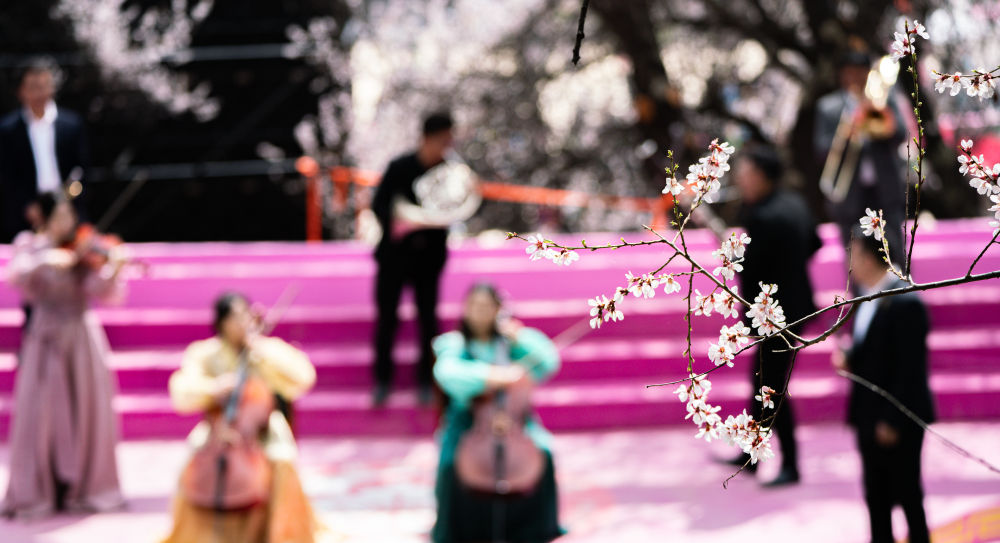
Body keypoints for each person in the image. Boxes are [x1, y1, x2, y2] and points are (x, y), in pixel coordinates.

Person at [162, 292, 322, 543]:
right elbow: (181, 392)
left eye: (244, 315)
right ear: (221, 323)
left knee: (282, 459)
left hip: (262, 429)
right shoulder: (205, 353)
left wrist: (261, 350)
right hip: (217, 427)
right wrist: (214, 388)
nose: (241, 322)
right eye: (234, 317)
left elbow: (303, 378)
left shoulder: (265, 348)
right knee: (190, 460)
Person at [2, 193, 125, 518]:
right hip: (44, 340)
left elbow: (103, 291)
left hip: (81, 339)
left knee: (85, 411)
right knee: (41, 416)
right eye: (59, 216)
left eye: (69, 215)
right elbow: (17, 275)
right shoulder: (30, 245)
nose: (67, 222)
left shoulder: (83, 249)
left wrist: (113, 268)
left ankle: (84, 488)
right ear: (43, 218)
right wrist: (47, 259)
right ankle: (40, 489)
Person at [707, 144, 822, 486]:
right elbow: (814, 244)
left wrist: (730, 251)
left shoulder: (762, 216)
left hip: (774, 317)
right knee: (762, 381)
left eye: (744, 173)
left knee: (770, 389)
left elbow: (748, 268)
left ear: (760, 175)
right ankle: (750, 454)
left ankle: (791, 464)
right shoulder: (794, 204)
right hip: (796, 307)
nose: (740, 180)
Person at [431, 283, 564, 543]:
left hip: (515, 420)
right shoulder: (455, 343)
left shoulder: (511, 342)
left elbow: (549, 363)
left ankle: (547, 526)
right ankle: (446, 530)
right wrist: (495, 375)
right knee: (448, 463)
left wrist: (519, 337)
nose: (479, 312)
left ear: (497, 310)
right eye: (474, 306)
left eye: (486, 306)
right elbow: (446, 372)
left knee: (545, 451)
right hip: (468, 421)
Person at [832, 230, 934, 543]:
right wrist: (851, 356)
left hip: (897, 419)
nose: (849, 265)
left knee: (908, 493)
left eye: (853, 256)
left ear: (868, 258)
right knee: (876, 497)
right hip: (868, 413)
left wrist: (892, 420)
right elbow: (874, 347)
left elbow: (910, 368)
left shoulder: (905, 301)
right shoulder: (867, 296)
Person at [370, 111, 455, 407]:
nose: (445, 147)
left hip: (428, 260)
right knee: (387, 320)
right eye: (442, 140)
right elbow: (380, 205)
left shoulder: (450, 172)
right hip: (394, 257)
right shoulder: (399, 167)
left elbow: (456, 208)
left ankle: (426, 382)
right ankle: (382, 380)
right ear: (426, 138)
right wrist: (403, 221)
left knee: (428, 321)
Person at [814, 49, 907, 263]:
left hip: (885, 189)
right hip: (849, 195)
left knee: (895, 249)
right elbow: (821, 149)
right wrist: (847, 134)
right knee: (854, 255)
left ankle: (900, 284)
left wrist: (878, 120)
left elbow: (901, 133)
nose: (855, 77)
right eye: (850, 72)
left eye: (860, 71)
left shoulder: (884, 99)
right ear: (841, 75)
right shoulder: (828, 107)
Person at [0, 57, 89, 244]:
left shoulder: (71, 124)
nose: (39, 93)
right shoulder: (7, 130)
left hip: (67, 208)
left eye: (44, 86)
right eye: (33, 87)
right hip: (24, 215)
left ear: (53, 88)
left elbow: (80, 170)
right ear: (21, 91)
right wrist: (26, 204)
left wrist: (66, 202)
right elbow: (7, 174)